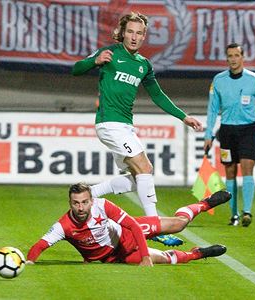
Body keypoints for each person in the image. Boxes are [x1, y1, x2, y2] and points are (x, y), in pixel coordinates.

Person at [72, 12, 203, 246]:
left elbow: (158, 95)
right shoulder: (111, 53)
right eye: (130, 32)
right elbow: (76, 69)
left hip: (125, 126)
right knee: (144, 167)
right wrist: (94, 61)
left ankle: (92, 192)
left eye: (139, 33)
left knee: (140, 174)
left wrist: (184, 117)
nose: (134, 37)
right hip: (108, 124)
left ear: (144, 37)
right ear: (123, 33)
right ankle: (155, 226)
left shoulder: (143, 65)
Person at [27, 183, 231, 266]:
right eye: (75, 203)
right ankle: (199, 253)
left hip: (128, 234)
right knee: (166, 259)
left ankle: (205, 204)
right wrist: (28, 262)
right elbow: (40, 245)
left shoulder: (103, 205)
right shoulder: (63, 226)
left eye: (84, 202)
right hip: (115, 256)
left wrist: (144, 256)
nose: (80, 207)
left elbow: (133, 225)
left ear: (91, 200)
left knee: (179, 224)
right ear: (70, 203)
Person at [204, 43, 255, 227]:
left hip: (247, 130)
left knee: (247, 168)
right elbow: (212, 109)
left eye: (236, 55)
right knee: (230, 172)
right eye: (229, 55)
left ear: (242, 57)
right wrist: (208, 134)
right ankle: (234, 215)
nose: (233, 59)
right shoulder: (219, 80)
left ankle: (247, 211)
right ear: (227, 58)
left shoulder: (254, 80)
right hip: (226, 131)